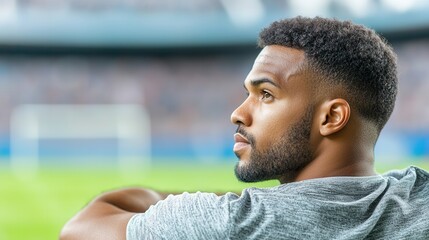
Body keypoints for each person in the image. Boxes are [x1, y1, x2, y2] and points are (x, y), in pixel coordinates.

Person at [60, 16, 429, 240]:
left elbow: (83, 228)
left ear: (331, 118)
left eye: (266, 94)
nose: (238, 113)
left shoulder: (232, 225)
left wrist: (176, 202)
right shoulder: (419, 199)